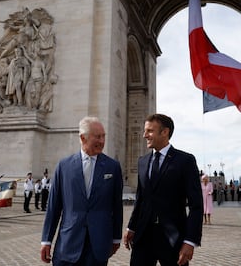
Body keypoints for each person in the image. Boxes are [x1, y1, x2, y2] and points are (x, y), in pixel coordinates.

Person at [40, 116, 123, 266]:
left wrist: (116, 238)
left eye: (104, 136)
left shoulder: (113, 167)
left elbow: (117, 206)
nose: (102, 141)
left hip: (98, 245)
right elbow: (54, 207)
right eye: (98, 137)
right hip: (68, 243)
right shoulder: (63, 166)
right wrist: (46, 240)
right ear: (83, 138)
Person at [123, 113, 203, 266]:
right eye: (145, 131)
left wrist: (190, 241)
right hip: (143, 237)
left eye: (150, 131)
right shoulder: (142, 161)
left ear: (165, 132)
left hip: (173, 238)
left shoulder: (185, 161)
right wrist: (131, 227)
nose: (144, 135)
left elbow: (196, 205)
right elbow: (140, 199)